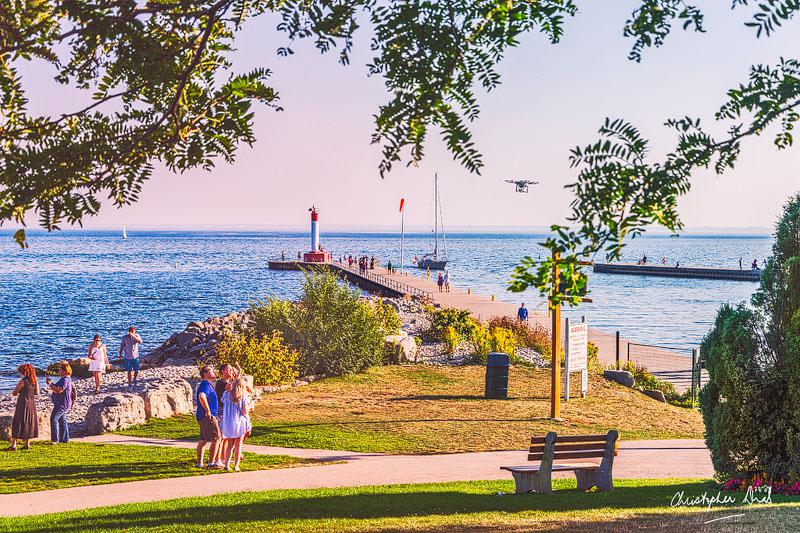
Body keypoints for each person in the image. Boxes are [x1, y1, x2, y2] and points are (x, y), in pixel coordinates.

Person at [220, 377, 252, 471]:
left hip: (228, 422)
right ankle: (236, 465)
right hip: (239, 421)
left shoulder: (226, 395)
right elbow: (245, 411)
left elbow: (223, 402)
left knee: (230, 445)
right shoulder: (243, 397)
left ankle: (226, 465)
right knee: (238, 445)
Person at [196, 365, 222, 469]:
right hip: (207, 417)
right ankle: (211, 463)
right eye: (211, 371)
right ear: (205, 374)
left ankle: (200, 463)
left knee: (203, 440)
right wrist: (208, 411)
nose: (213, 372)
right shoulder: (205, 385)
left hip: (202, 416)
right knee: (217, 438)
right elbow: (201, 396)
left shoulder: (207, 385)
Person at [8, 364, 39, 451]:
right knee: (29, 422)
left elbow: (14, 392)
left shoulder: (23, 381)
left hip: (22, 402)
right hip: (31, 403)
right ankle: (27, 444)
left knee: (17, 421)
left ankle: (14, 445)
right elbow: (37, 392)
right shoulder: (34, 381)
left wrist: (20, 392)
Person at [45, 361, 73, 444]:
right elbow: (57, 387)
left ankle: (55, 440)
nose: (58, 371)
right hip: (62, 403)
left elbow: (58, 390)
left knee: (53, 419)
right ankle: (64, 439)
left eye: (60, 370)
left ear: (64, 371)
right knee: (62, 420)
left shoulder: (65, 379)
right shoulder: (64, 379)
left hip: (62, 404)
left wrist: (50, 385)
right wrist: (50, 383)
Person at [119, 326, 142, 390]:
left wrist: (134, 336)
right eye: (130, 331)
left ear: (135, 331)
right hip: (127, 357)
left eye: (133, 331)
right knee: (129, 371)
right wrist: (120, 354)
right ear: (129, 331)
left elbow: (140, 342)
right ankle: (129, 384)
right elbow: (122, 346)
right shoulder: (124, 337)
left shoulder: (137, 336)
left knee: (136, 370)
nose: (131, 332)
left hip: (135, 356)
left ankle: (134, 378)